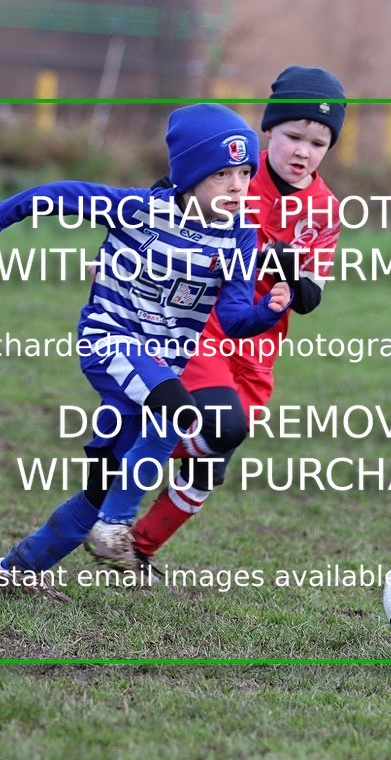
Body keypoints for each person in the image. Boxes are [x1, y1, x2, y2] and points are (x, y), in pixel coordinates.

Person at [0, 103, 292, 601]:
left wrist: (271, 308)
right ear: (191, 174)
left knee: (102, 486)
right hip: (110, 341)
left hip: (159, 368)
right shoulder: (137, 209)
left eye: (245, 173)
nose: (237, 186)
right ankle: (116, 530)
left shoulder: (240, 238)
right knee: (178, 409)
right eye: (222, 173)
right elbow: (53, 196)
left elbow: (237, 319)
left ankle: (18, 569)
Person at [85, 66, 347, 573]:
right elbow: (153, 211)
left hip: (258, 344)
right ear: (268, 130)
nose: (303, 151)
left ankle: (134, 548)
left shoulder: (324, 211)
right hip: (203, 327)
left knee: (213, 460)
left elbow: (310, 298)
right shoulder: (230, 175)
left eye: (318, 143)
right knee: (216, 425)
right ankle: (120, 472)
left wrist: (288, 267)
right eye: (293, 135)